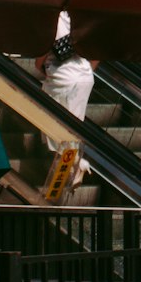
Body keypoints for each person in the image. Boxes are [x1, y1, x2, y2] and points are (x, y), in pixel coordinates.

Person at [35, 10, 98, 181]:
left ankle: (74, 165)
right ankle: (74, 166)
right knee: (74, 126)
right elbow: (97, 52)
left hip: (61, 78)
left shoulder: (52, 18)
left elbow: (42, 51)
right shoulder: (82, 19)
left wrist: (39, 65)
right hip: (84, 77)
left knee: (56, 126)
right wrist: (84, 71)